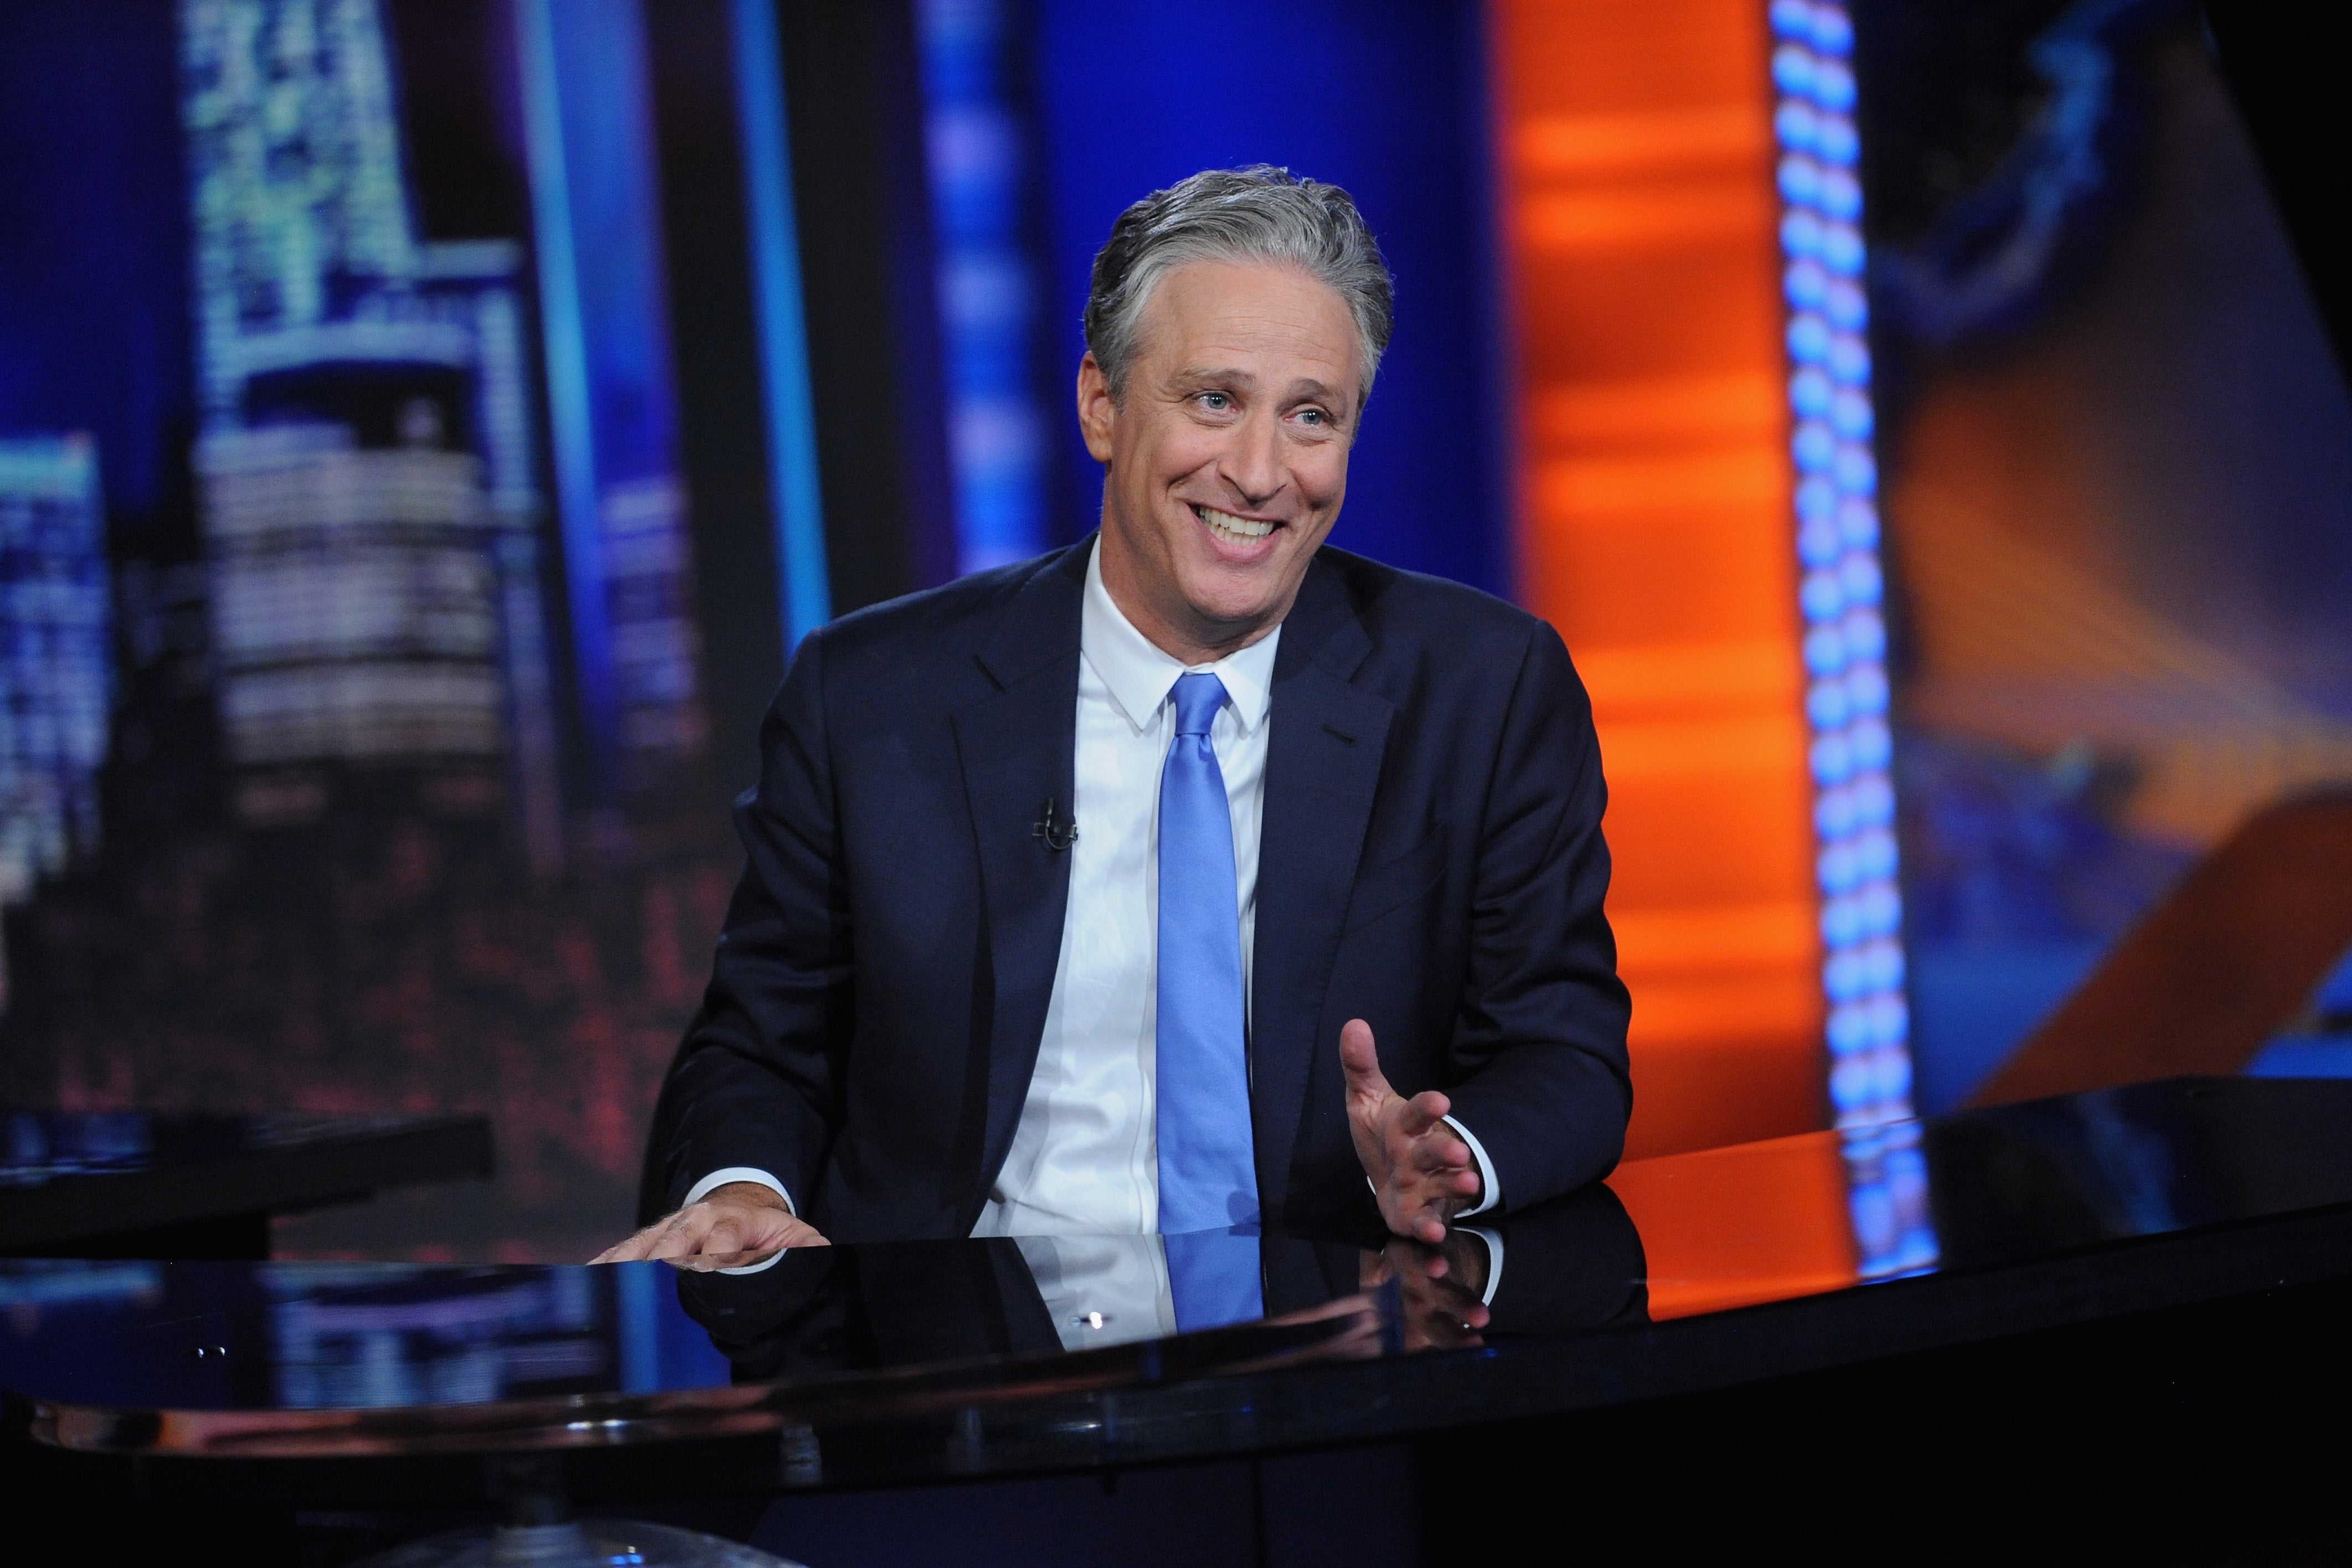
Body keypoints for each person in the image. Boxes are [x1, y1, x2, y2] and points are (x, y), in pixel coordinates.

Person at [596, 166, 1630, 1281]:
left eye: (1311, 417)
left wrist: (1455, 1161)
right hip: (966, 1361)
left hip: (1342, 1344)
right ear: (1102, 404)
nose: (1258, 472)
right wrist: (745, 1190)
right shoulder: (872, 698)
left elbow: (1563, 1055)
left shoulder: (1484, 689)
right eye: (1213, 401)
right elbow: (760, 1047)